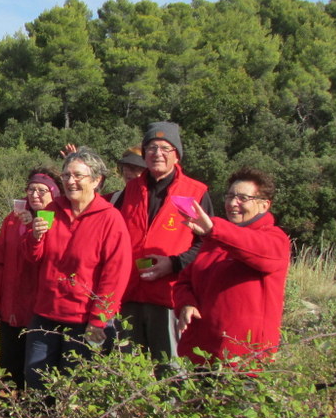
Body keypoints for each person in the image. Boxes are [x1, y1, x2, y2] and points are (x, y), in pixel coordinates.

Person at [23, 147, 132, 393]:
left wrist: (99, 320)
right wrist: (35, 238)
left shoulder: (110, 219)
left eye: (78, 176)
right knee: (36, 377)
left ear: (96, 180)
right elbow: (33, 258)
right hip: (46, 314)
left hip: (84, 320)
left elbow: (114, 275)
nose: (71, 181)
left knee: (76, 385)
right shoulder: (52, 210)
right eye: (66, 175)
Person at [116, 122, 212, 363]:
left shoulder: (194, 193)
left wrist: (174, 263)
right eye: (151, 147)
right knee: (128, 368)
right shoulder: (131, 190)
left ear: (177, 155)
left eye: (165, 148)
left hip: (170, 297)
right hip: (129, 295)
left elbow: (208, 244)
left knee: (169, 369)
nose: (157, 154)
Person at [174, 168, 290, 366]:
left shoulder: (275, 240)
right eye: (230, 196)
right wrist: (186, 303)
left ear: (264, 205)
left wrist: (214, 229)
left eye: (243, 198)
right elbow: (185, 281)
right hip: (202, 354)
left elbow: (256, 250)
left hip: (243, 361)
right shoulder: (214, 241)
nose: (233, 203)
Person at [0, 167, 62, 390]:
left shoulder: (59, 220)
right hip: (10, 309)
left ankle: (36, 416)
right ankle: (10, 414)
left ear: (54, 193)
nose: (35, 195)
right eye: (31, 189)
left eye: (42, 190)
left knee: (39, 367)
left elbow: (45, 259)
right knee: (10, 363)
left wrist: (32, 227)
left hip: (41, 310)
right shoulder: (13, 219)